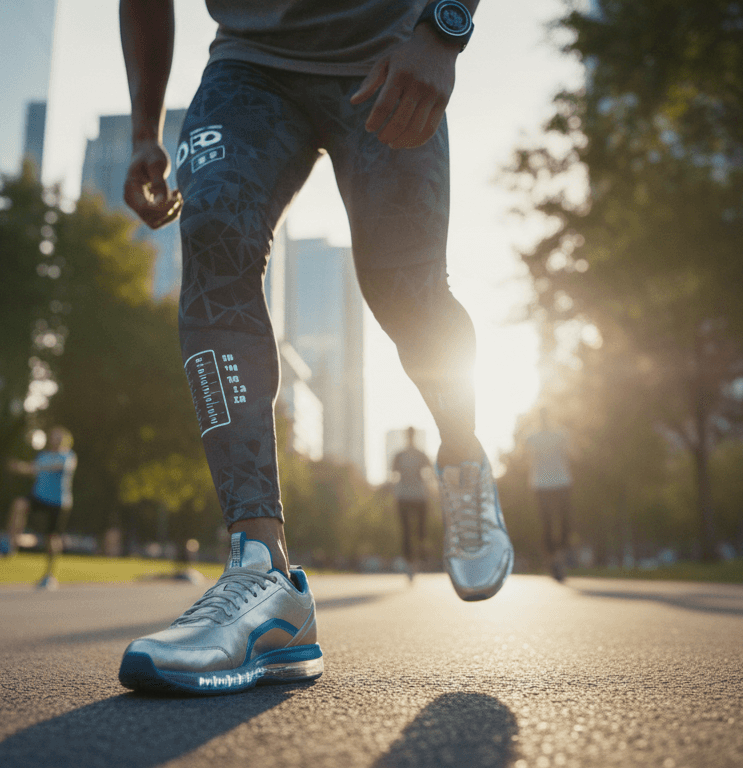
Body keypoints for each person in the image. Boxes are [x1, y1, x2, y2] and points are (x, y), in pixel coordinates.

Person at [117, 0, 513, 695]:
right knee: (213, 235)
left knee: (404, 292)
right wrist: (144, 129)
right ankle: (262, 573)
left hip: (390, 53)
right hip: (248, 67)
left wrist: (442, 31)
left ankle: (463, 453)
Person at [9, 427, 77, 590]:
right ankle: (10, 545)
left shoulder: (68, 456)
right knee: (19, 504)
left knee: (51, 538)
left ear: (65, 440)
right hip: (39, 497)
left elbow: (58, 466)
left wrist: (37, 467)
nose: (56, 439)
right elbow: (31, 469)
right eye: (54, 436)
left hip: (58, 502)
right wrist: (19, 467)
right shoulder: (43, 456)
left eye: (59, 437)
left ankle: (49, 576)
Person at [523, 408, 572, 582]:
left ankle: (559, 555)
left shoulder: (561, 435)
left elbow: (572, 453)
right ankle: (553, 559)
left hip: (561, 483)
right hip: (541, 485)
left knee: (565, 522)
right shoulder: (532, 438)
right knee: (548, 523)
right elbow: (526, 458)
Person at [391, 426, 433, 582]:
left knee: (421, 529)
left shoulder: (421, 454)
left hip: (419, 495)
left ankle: (420, 556)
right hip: (403, 496)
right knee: (406, 531)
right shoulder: (399, 455)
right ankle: (410, 562)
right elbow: (394, 474)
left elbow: (430, 472)